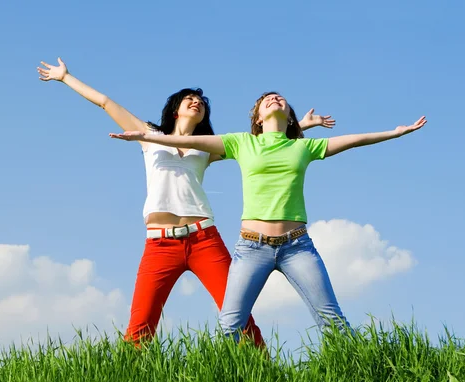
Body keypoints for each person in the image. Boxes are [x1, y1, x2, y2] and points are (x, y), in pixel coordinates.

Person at [37, 61, 331, 345]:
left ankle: (264, 376)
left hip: (205, 239)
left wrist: (300, 124)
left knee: (238, 319)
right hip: (159, 245)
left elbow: (264, 147)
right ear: (175, 110)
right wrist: (65, 77)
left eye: (201, 103)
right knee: (140, 326)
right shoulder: (150, 136)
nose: (196, 103)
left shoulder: (205, 149)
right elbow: (105, 102)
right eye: (189, 99)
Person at [111, 91, 427, 342]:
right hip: (250, 247)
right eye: (266, 99)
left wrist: (393, 133)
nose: (274, 98)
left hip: (294, 245)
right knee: (229, 325)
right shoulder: (242, 142)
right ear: (257, 118)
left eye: (280, 98)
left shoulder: (302, 147)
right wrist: (146, 137)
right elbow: (183, 140)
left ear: (288, 116)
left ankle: (358, 373)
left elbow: (352, 140)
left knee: (330, 318)